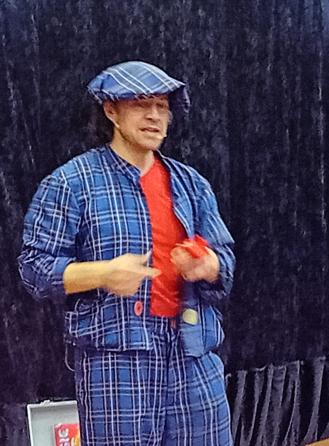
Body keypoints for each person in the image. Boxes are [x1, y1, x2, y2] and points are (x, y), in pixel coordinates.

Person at [18, 61, 235, 445]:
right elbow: (33, 269)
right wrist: (103, 274)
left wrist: (208, 266)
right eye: (140, 104)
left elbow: (226, 263)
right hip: (115, 364)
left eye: (162, 106)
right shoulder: (70, 183)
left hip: (193, 358)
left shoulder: (191, 184)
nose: (154, 115)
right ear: (111, 111)